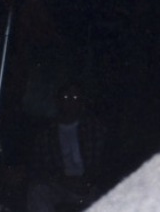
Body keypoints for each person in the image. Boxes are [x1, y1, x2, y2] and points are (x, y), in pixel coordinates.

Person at [25, 81, 108, 212]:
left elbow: (101, 161)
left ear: (82, 101)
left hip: (88, 185)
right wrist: (63, 180)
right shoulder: (47, 133)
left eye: (75, 97)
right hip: (60, 185)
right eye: (65, 97)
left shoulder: (94, 128)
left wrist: (87, 180)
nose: (70, 102)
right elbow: (39, 167)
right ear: (58, 102)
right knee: (37, 192)